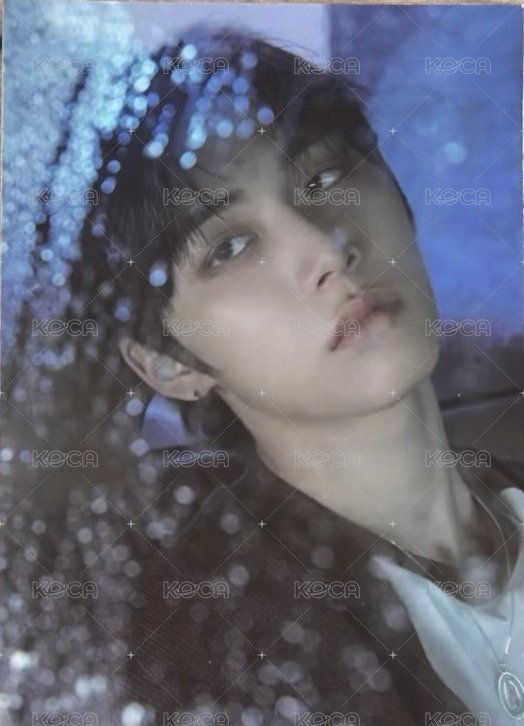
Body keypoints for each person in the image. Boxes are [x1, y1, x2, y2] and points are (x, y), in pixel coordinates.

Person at [5, 24, 524, 726]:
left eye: (325, 179)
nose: (327, 248)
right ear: (167, 362)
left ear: (398, 194)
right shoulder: (203, 648)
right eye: (231, 246)